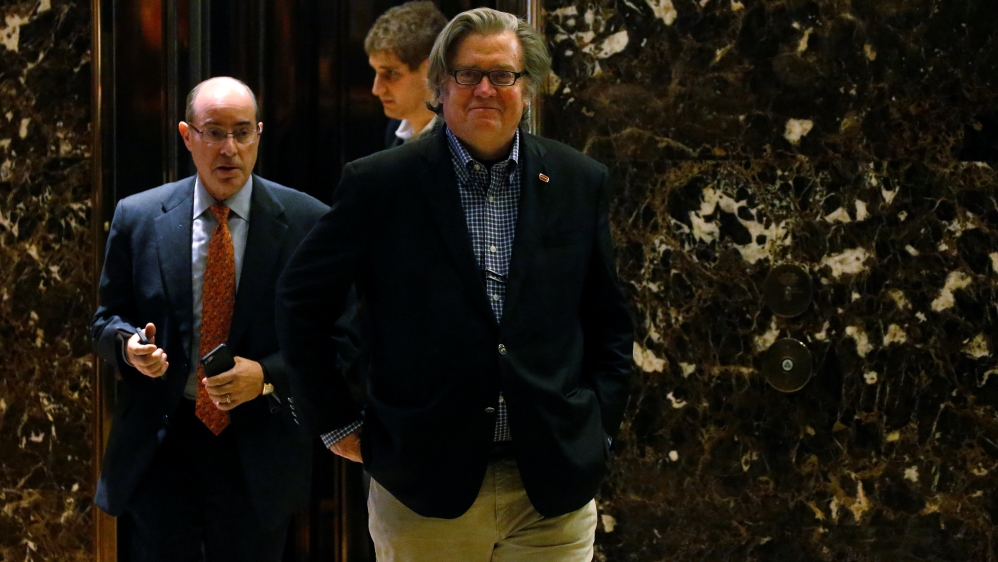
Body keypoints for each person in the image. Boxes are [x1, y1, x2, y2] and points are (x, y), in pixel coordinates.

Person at [276, 8, 633, 561]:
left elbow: (608, 322)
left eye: (503, 75)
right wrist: (334, 421)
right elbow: (302, 302)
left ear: (528, 88)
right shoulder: (379, 184)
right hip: (423, 486)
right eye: (468, 75)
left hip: (551, 488)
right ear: (440, 86)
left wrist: (597, 428)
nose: (485, 89)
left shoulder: (578, 181)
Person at [91, 76, 329, 561]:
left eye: (242, 133)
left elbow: (340, 339)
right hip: (163, 443)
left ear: (259, 135)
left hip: (258, 446)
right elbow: (105, 320)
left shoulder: (307, 221)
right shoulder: (138, 216)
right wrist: (128, 348)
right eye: (214, 132)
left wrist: (265, 375)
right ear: (187, 136)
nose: (229, 149)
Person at [365, 0, 447, 149]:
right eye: (376, 72)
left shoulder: (460, 139)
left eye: (390, 73)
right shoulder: (394, 129)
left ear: (432, 69)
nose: (376, 90)